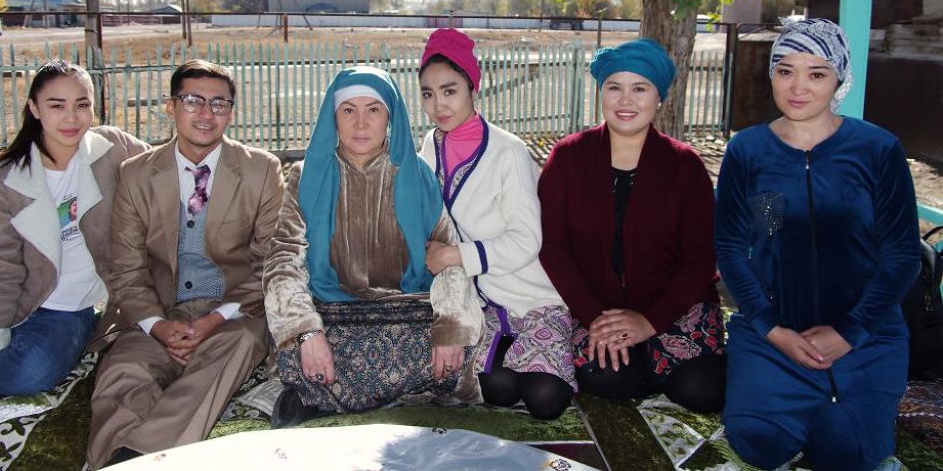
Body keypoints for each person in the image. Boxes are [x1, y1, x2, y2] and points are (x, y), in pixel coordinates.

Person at [715, 18, 920, 470]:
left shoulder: (877, 150)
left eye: (816, 74)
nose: (798, 87)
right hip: (773, 333)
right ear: (771, 75)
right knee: (758, 443)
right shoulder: (748, 151)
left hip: (866, 334)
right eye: (785, 71)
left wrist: (851, 332)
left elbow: (903, 254)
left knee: (846, 451)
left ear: (838, 79)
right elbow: (731, 248)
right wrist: (771, 328)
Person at [87, 59, 284, 468]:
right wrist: (157, 325)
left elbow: (269, 263)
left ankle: (133, 458)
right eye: (193, 101)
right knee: (123, 372)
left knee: (239, 347)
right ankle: (113, 460)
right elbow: (126, 267)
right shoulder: (136, 174)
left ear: (231, 112)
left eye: (219, 103)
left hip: (231, 314)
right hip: (160, 309)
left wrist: (213, 320)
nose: (206, 113)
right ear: (170, 106)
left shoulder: (261, 170)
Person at [0, 60, 149, 410]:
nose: (71, 118)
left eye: (82, 104)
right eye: (57, 106)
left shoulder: (112, 149)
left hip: (68, 310)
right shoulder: (6, 177)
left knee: (30, 373)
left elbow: (166, 170)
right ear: (34, 108)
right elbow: (0, 268)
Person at [263, 65, 482, 427]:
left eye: (374, 110)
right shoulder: (308, 175)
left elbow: (449, 260)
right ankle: (403, 395)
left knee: (459, 344)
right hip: (332, 313)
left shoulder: (417, 176)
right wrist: (306, 330)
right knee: (296, 348)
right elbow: (282, 260)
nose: (361, 123)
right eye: (349, 110)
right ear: (333, 117)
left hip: (406, 312)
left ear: (389, 116)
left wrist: (450, 329)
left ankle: (324, 396)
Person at [538, 38, 726, 413]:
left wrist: (649, 323)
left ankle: (657, 360)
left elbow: (700, 259)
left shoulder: (684, 165)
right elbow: (553, 249)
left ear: (659, 97)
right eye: (614, 87)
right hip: (598, 308)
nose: (626, 100)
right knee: (608, 378)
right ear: (601, 93)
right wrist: (594, 316)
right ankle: (645, 364)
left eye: (640, 88)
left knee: (701, 390)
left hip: (673, 304)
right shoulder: (569, 157)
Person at [417, 28, 575, 420]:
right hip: (480, 302)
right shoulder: (430, 146)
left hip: (531, 295)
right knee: (499, 390)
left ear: (473, 88)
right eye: (428, 93)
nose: (439, 105)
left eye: (450, 91)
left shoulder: (508, 151)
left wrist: (455, 256)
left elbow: (527, 239)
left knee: (545, 399)